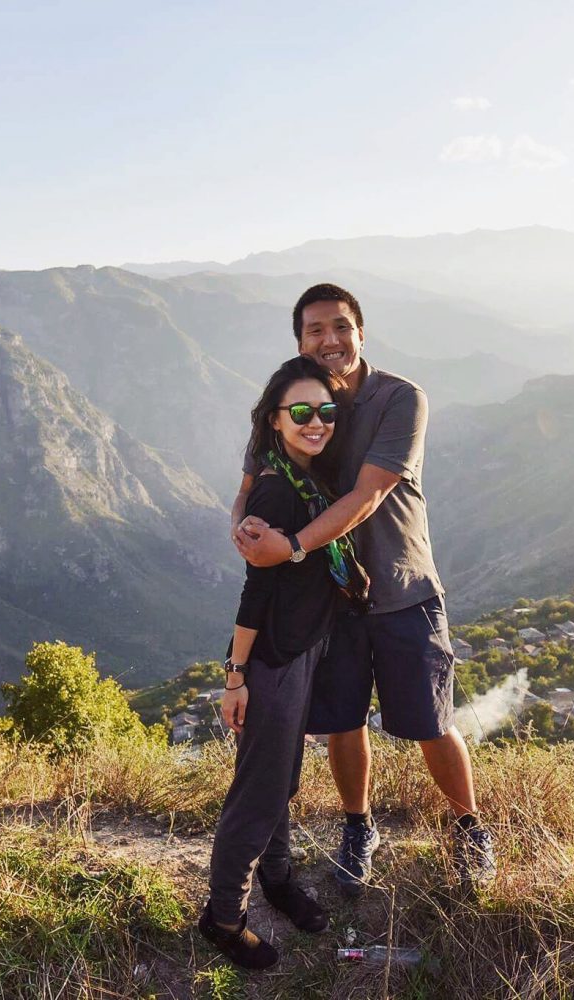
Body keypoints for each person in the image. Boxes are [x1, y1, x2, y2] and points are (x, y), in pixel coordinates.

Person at [232, 283, 496, 897]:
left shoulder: (399, 399)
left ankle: (468, 827)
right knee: (342, 721)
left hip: (404, 589)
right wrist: (243, 526)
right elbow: (249, 479)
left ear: (361, 332)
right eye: (315, 330)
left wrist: (293, 546)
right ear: (300, 341)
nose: (330, 340)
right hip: (335, 599)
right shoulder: (296, 401)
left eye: (341, 327)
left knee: (431, 721)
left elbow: (368, 495)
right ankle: (359, 827)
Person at [199, 355, 368, 970]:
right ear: (275, 420)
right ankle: (223, 917)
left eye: (325, 411)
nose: (315, 422)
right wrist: (236, 677)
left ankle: (276, 878)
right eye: (301, 412)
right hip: (272, 661)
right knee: (260, 793)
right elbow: (256, 590)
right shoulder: (276, 488)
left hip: (302, 652)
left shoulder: (307, 477)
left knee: (281, 781)